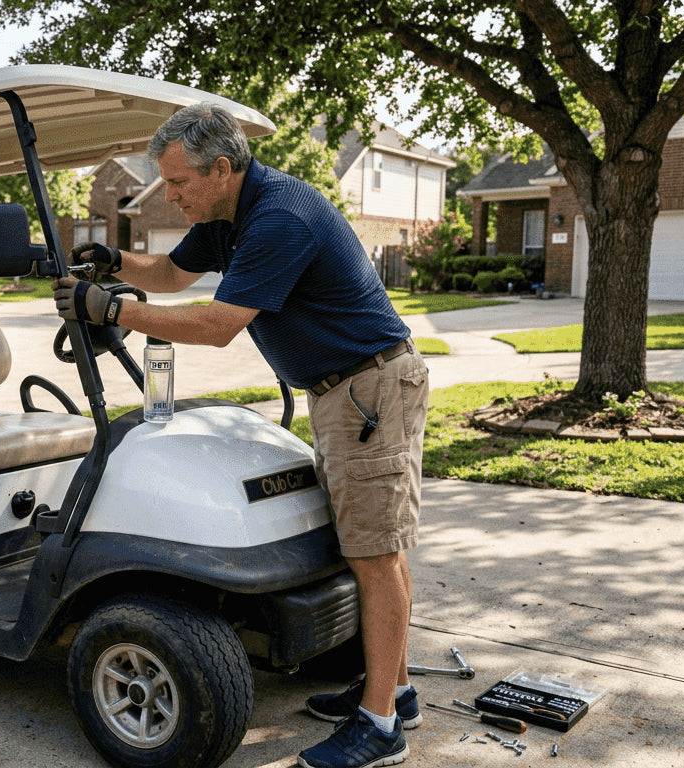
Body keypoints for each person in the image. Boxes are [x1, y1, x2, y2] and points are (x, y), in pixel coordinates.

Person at [53, 102, 429, 768]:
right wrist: (115, 261)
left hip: (369, 389)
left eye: (179, 183)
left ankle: (380, 728)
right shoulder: (228, 215)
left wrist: (111, 309)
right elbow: (172, 275)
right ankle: (392, 693)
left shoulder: (279, 217)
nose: (171, 196)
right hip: (346, 390)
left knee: (376, 554)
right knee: (368, 545)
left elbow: (217, 324)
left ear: (221, 169)